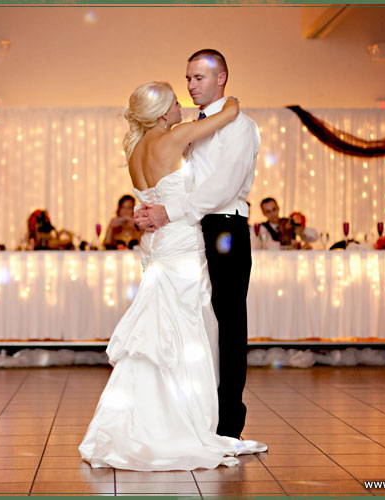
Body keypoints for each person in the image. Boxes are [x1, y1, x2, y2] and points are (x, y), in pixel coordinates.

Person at [79, 81, 266, 471]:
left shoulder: (133, 151)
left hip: (156, 244)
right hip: (179, 241)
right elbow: (229, 114)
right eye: (175, 101)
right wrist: (230, 99)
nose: (183, 105)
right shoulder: (175, 136)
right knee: (187, 328)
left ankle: (140, 421)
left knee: (156, 331)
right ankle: (186, 422)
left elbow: (149, 198)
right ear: (164, 112)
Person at [134, 49, 260, 440]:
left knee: (228, 322)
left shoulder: (239, 125)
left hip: (224, 228)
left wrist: (167, 212)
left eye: (199, 78)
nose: (190, 86)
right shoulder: (188, 128)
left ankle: (228, 422)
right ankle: (194, 413)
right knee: (198, 322)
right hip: (192, 229)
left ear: (221, 77)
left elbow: (221, 188)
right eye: (187, 79)